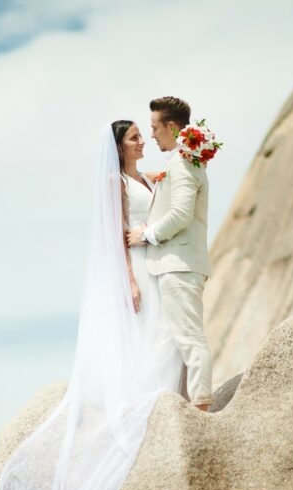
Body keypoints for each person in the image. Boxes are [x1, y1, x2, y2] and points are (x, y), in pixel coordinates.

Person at [0, 121, 183, 490]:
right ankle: (146, 415)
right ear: (117, 147)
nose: (142, 141)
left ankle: (168, 410)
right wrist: (129, 282)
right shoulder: (115, 183)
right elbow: (114, 240)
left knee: (169, 342)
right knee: (152, 341)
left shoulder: (148, 179)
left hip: (159, 265)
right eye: (134, 138)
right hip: (138, 271)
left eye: (145, 135)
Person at [126, 96, 214, 412]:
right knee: (182, 340)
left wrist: (145, 235)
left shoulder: (183, 162)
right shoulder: (183, 161)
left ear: (172, 127)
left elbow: (180, 214)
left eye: (154, 128)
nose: (151, 135)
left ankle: (202, 408)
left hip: (178, 264)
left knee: (189, 339)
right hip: (179, 263)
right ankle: (195, 404)